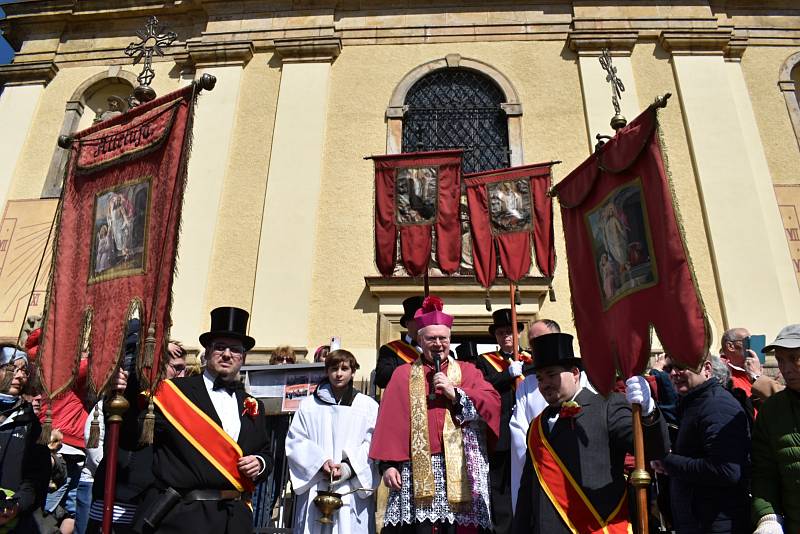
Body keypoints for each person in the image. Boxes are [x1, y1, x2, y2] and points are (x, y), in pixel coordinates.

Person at [117, 307, 272, 534]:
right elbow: (133, 438)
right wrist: (125, 396)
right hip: (185, 517)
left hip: (235, 519)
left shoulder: (253, 405)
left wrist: (260, 463)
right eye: (219, 348)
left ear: (243, 357)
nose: (227, 354)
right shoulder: (174, 393)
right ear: (207, 353)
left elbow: (265, 452)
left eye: (235, 350)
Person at [513, 333, 669, 534]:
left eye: (552, 375)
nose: (544, 385)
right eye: (540, 378)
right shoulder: (536, 426)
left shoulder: (607, 406)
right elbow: (527, 492)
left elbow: (653, 449)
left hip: (597, 527)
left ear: (575, 373)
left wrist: (649, 413)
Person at [370, 295, 500, 533]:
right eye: (431, 338)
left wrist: (456, 393)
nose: (438, 344)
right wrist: (388, 465)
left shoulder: (469, 371)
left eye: (443, 338)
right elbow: (391, 423)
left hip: (463, 467)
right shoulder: (402, 375)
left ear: (450, 339)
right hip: (416, 468)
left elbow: (491, 404)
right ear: (420, 340)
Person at [85, 339, 187, 534]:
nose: (182, 374)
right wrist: (157, 346)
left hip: (155, 504)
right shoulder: (133, 397)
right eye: (176, 368)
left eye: (184, 369)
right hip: (119, 498)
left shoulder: (180, 405)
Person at [650, 353, 750, 533]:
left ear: (707, 369)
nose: (673, 373)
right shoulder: (694, 403)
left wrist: (670, 462)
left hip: (717, 525)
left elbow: (726, 470)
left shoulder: (717, 406)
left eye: (681, 366)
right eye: (669, 368)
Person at [286, 349, 378, 533]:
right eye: (334, 368)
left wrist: (347, 467)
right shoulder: (309, 405)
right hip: (317, 482)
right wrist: (320, 462)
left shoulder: (367, 406)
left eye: (344, 368)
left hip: (351, 485)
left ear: (353, 372)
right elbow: (296, 441)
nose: (339, 373)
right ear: (326, 371)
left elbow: (373, 443)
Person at [474, 309, 532, 534]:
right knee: (502, 488)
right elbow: (482, 388)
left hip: (529, 428)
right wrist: (507, 374)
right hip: (502, 434)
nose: (506, 336)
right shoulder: (486, 361)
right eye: (500, 332)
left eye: (510, 331)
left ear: (518, 332)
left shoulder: (532, 359)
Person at [508, 318, 569, 511]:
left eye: (541, 339)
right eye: (532, 343)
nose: (536, 347)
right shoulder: (527, 383)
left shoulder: (578, 375)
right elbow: (519, 428)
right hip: (539, 465)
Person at [751, 324, 800, 534]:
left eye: (794, 358)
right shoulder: (772, 410)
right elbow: (764, 472)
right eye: (780, 360)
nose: (786, 368)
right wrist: (768, 517)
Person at [0, 345, 50, 533]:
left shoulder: (31, 424)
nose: (20, 376)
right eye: (12, 368)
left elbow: (37, 477)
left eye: (24, 371)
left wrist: (17, 505)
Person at [374, 296, 423, 389]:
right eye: (419, 320)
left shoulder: (443, 352)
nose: (424, 324)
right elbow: (382, 380)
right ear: (407, 323)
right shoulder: (390, 350)